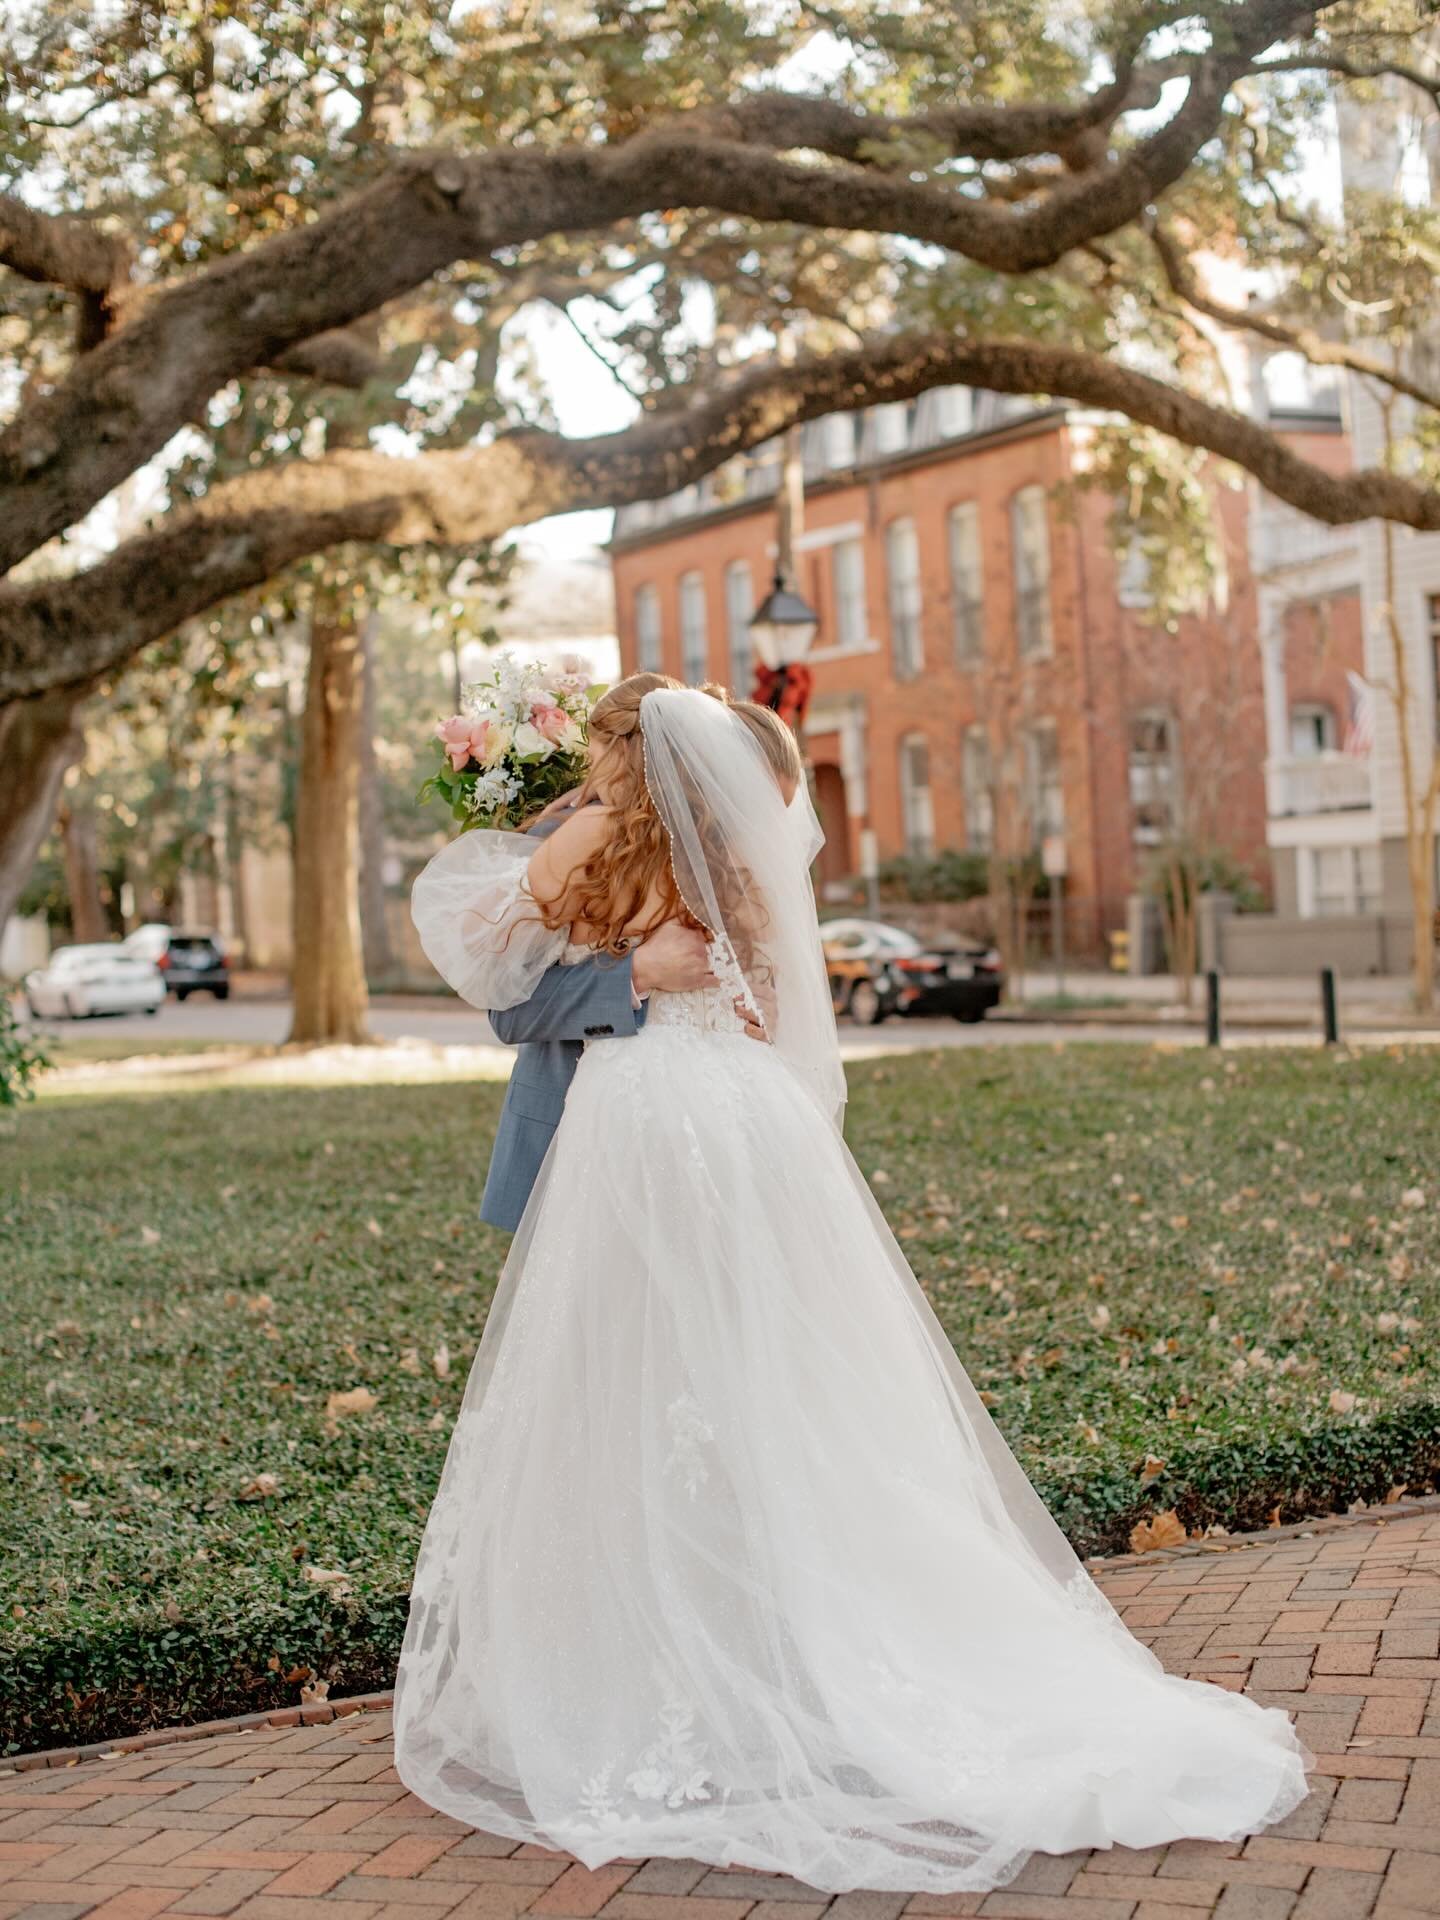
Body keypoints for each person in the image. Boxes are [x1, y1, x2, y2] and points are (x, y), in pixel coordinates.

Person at [397, 679, 1308, 1897]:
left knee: (644, 1386)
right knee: (753, 1391)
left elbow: (483, 959)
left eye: (608, 755)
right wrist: (655, 979)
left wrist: (626, 952)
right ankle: (745, 1637)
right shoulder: (740, 861)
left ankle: (691, 1660)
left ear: (627, 757)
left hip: (655, 1127)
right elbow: (754, 1013)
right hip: (745, 1124)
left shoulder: (602, 841)